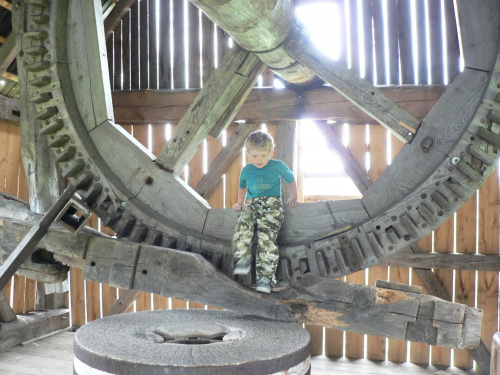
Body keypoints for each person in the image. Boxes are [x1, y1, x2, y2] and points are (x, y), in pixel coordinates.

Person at [232, 130, 299, 294]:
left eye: (263, 155)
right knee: (243, 221)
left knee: (266, 239)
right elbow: (242, 186)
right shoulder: (247, 170)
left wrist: (294, 197)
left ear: (271, 152)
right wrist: (240, 202)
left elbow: (290, 179)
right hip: (253, 204)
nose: (259, 159)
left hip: (272, 204)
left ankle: (266, 279)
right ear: (248, 153)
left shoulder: (277, 166)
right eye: (254, 155)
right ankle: (242, 257)